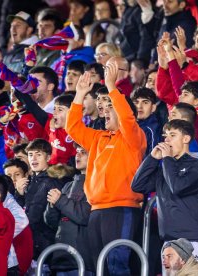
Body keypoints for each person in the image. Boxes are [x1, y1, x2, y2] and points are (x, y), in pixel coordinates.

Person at [65, 63, 146, 274]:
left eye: (111, 107)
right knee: (100, 268)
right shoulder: (99, 138)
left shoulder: (134, 137)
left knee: (117, 265)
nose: (105, 112)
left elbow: (127, 118)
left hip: (122, 208)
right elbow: (72, 127)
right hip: (96, 210)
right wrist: (80, 94)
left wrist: (111, 86)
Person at [132, 119, 198, 263]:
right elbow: (138, 185)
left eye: (173, 135)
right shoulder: (166, 167)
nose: (166, 140)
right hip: (169, 241)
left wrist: (167, 159)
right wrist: (152, 158)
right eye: (165, 136)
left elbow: (178, 187)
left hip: (193, 240)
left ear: (186, 139)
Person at [44, 144, 93, 275]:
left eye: (83, 152)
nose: (78, 154)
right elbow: (52, 222)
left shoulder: (97, 183)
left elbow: (84, 215)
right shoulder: (68, 185)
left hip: (83, 260)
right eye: (77, 152)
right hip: (62, 258)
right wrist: (52, 205)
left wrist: (60, 201)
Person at [14, 138, 61, 271]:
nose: (33, 158)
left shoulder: (53, 182)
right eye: (30, 154)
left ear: (48, 157)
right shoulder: (28, 182)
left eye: (38, 154)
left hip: (44, 249)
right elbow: (20, 213)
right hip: (29, 246)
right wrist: (19, 194)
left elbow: (51, 219)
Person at [131, 87, 162, 156]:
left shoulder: (152, 130)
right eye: (136, 102)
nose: (139, 106)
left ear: (153, 108)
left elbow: (153, 159)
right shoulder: (127, 125)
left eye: (145, 102)